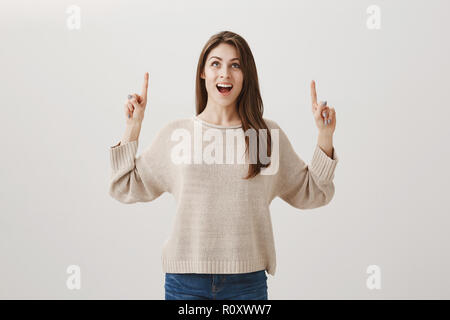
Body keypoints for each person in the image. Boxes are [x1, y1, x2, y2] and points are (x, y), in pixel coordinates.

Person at [109, 31, 338, 300]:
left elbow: (314, 192)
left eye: (235, 65)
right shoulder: (177, 134)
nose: (225, 74)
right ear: (203, 73)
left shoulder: (263, 136)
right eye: (216, 63)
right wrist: (133, 127)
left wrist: (325, 135)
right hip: (185, 284)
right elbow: (123, 186)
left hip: (247, 285)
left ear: (246, 74)